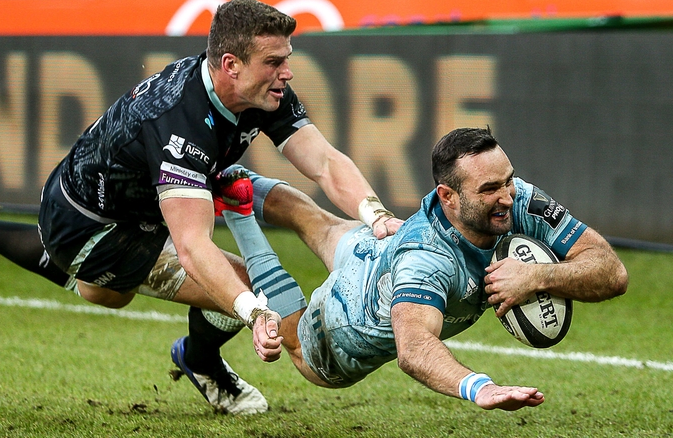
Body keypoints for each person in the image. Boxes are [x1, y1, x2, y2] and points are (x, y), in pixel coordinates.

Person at [0, 0, 401, 415]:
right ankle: (202, 364)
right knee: (197, 289)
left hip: (131, 198)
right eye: (274, 62)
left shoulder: (260, 91)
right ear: (231, 65)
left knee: (108, 291)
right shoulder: (181, 125)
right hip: (93, 224)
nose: (286, 73)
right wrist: (254, 314)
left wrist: (374, 213)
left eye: (286, 59)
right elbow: (192, 246)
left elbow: (326, 163)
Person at [220, 126, 628, 410]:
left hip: (375, 246)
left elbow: (612, 272)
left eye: (509, 180)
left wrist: (537, 276)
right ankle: (236, 212)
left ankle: (225, 177)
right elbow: (414, 348)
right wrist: (478, 388)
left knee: (313, 220)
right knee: (289, 336)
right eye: (490, 190)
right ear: (447, 196)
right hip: (342, 326)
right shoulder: (427, 261)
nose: (506, 197)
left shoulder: (519, 199)